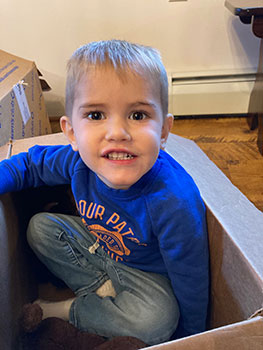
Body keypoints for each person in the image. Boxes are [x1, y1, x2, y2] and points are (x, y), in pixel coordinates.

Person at [0, 40, 209, 345]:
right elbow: (29, 165)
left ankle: (64, 309)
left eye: (137, 115)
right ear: (71, 131)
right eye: (96, 115)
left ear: (164, 131)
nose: (117, 132)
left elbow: (191, 279)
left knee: (158, 320)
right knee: (40, 228)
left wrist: (191, 338)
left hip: (148, 280)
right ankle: (104, 292)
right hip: (98, 254)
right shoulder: (78, 161)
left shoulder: (173, 199)